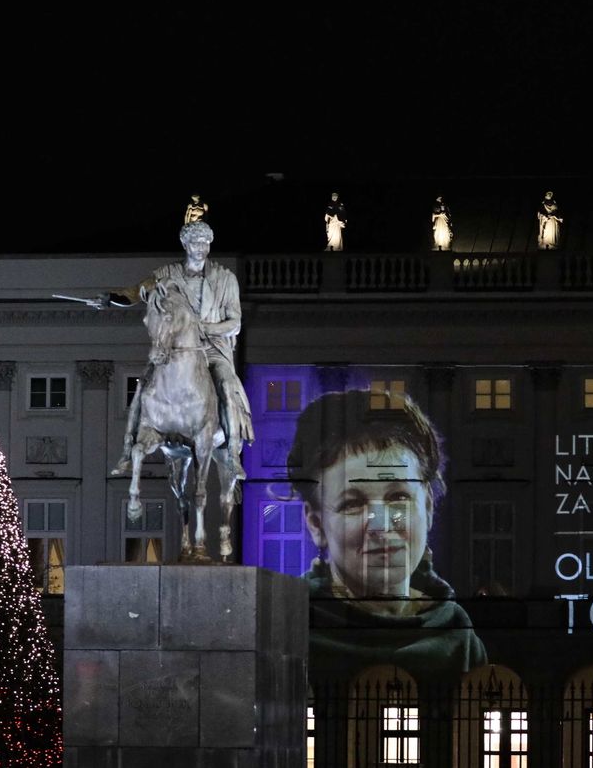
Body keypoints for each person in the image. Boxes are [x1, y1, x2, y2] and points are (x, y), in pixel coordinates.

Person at [288, 389, 487, 680]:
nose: (380, 525)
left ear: (428, 506)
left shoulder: (459, 634)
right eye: (353, 503)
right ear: (316, 524)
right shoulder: (287, 630)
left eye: (399, 497)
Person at [101, 220, 254, 481]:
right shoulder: (166, 276)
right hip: (175, 351)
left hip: (212, 349)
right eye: (196, 243)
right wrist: (108, 299)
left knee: (227, 383)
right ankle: (128, 449)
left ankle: (232, 450)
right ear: (185, 244)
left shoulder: (225, 279)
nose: (201, 249)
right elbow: (135, 292)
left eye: (206, 243)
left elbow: (235, 323)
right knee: (144, 384)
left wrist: (203, 327)